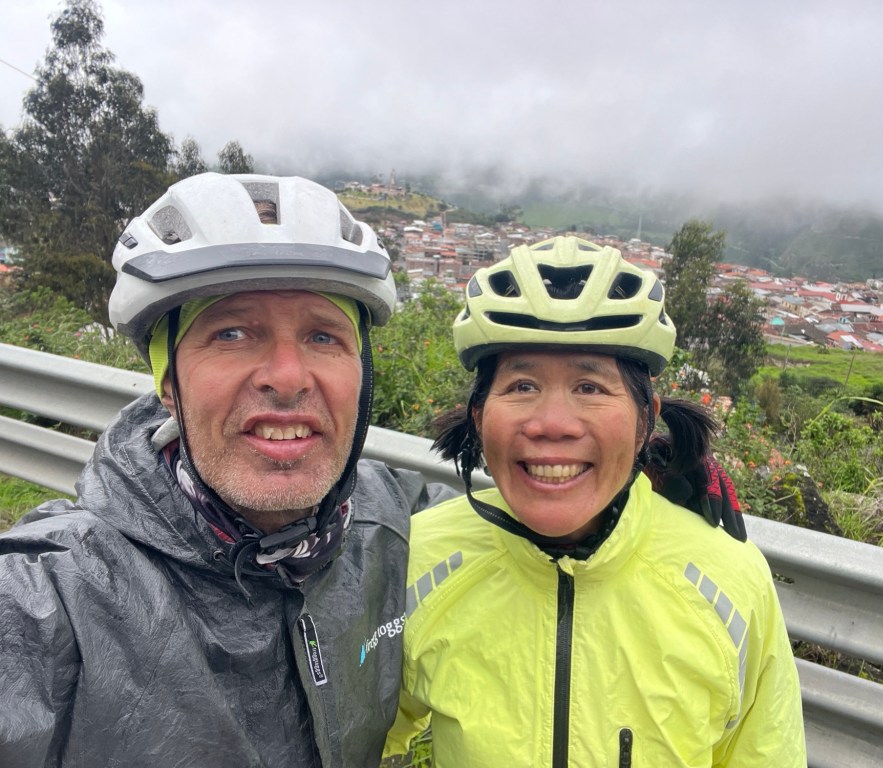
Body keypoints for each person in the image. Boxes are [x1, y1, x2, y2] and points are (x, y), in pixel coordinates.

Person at [0, 173, 456, 767]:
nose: (287, 377)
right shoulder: (58, 593)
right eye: (232, 333)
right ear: (169, 384)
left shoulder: (391, 517)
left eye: (323, 336)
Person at [385, 236, 806, 766]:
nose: (552, 424)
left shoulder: (730, 582)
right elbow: (355, 737)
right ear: (478, 416)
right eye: (521, 386)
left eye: (590, 387)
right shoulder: (420, 561)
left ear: (646, 420)